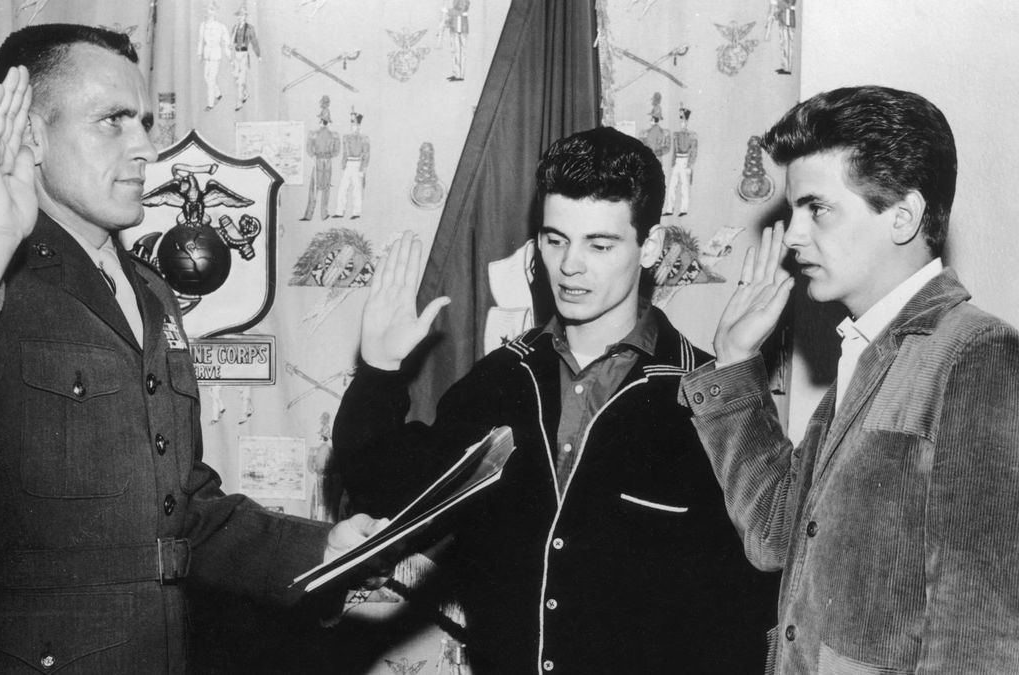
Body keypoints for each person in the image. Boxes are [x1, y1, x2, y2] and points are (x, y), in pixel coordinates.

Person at [0, 24, 381, 674]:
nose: (146, 146)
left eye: (143, 121)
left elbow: (181, 508)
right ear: (29, 132)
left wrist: (321, 549)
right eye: (113, 121)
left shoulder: (152, 292)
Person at [333, 127, 778, 673]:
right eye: (555, 239)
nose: (570, 266)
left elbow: (756, 588)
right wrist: (379, 370)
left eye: (600, 244)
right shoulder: (500, 379)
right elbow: (385, 490)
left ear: (652, 247)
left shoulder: (709, 395)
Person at [679, 85, 1019, 672]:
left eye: (818, 208)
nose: (792, 234)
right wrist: (735, 359)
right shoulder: (865, 351)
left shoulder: (975, 353)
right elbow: (775, 537)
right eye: (792, 211)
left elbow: (982, 631)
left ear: (904, 216)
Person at [301, 98, 339, 221]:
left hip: (319, 161)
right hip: (327, 161)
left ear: (322, 121)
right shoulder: (333, 135)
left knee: (316, 187)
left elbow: (309, 149)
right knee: (325, 187)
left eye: (321, 119)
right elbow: (336, 151)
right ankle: (324, 214)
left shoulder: (314, 134)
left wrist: (314, 154)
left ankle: (309, 215)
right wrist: (328, 155)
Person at [333, 111, 369, 219]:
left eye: (354, 123)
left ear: (359, 124)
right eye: (352, 123)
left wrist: (362, 169)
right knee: (342, 188)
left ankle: (356, 212)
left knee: (357, 190)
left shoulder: (364, 138)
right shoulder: (346, 137)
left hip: (358, 164)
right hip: (348, 164)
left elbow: (366, 155)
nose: (353, 125)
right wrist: (343, 166)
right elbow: (344, 153)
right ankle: (339, 212)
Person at [662, 105, 696, 216]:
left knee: (684, 187)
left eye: (683, 119)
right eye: (680, 119)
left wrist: (690, 165)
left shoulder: (692, 135)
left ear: (687, 121)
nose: (681, 122)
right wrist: (673, 162)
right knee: (672, 186)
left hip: (685, 161)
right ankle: (669, 209)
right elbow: (674, 151)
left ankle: (683, 209)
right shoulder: (676, 134)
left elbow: (694, 151)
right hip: (677, 161)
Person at [197, 1, 231, 110]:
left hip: (216, 53)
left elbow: (227, 41)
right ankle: (218, 94)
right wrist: (199, 53)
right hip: (207, 54)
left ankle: (210, 104)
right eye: (209, 9)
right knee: (206, 77)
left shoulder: (220, 26)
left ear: (216, 11)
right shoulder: (203, 25)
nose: (210, 11)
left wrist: (229, 55)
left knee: (211, 78)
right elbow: (200, 40)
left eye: (213, 9)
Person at [229, 6, 260, 111]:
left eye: (242, 15)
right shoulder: (235, 28)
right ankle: (245, 93)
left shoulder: (250, 28)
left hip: (244, 55)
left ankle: (239, 102)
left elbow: (254, 42)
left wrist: (258, 55)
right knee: (236, 78)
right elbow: (231, 43)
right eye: (238, 15)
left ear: (245, 16)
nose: (240, 17)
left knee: (241, 80)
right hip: (236, 54)